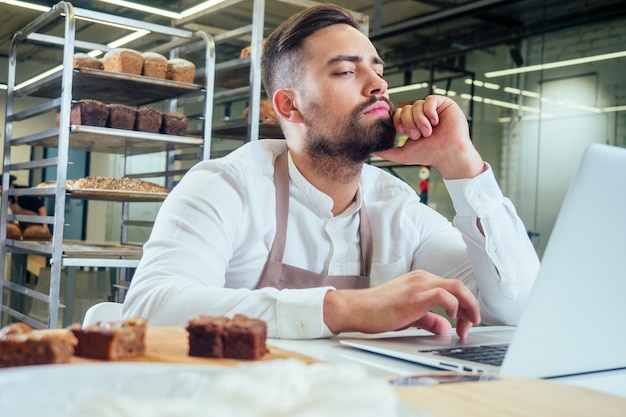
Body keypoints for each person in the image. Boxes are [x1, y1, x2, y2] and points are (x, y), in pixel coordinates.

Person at [122, 4, 540, 339]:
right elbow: (151, 306)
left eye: (378, 69)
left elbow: (517, 305)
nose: (378, 84)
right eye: (345, 70)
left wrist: (459, 161)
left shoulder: (395, 206)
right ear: (289, 106)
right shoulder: (228, 186)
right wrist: (343, 307)